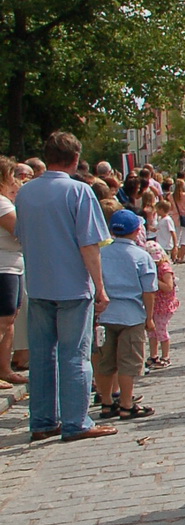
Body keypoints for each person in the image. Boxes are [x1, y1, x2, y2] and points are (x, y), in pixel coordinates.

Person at [16, 131, 115, 443]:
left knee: (43, 356)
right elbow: (90, 245)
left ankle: (43, 420)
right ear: (75, 159)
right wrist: (100, 287)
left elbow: (21, 234)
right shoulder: (79, 192)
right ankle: (76, 421)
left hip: (39, 283)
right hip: (72, 284)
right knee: (75, 355)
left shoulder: (25, 193)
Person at [94, 209, 156, 420]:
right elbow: (148, 290)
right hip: (132, 315)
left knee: (106, 362)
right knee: (129, 363)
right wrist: (149, 317)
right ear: (137, 230)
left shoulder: (101, 254)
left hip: (105, 315)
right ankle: (127, 404)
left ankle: (106, 402)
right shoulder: (141, 256)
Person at [139, 213, 178, 369]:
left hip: (164, 304)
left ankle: (165, 356)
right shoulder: (152, 267)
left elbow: (168, 287)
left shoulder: (164, 268)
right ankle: (153, 355)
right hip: (153, 304)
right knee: (152, 331)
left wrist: (154, 281)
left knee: (161, 329)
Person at [0, 158, 24, 389]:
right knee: (3, 319)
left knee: (10, 319)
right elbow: (19, 230)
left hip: (13, 264)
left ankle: (5, 369)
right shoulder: (2, 203)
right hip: (3, 266)